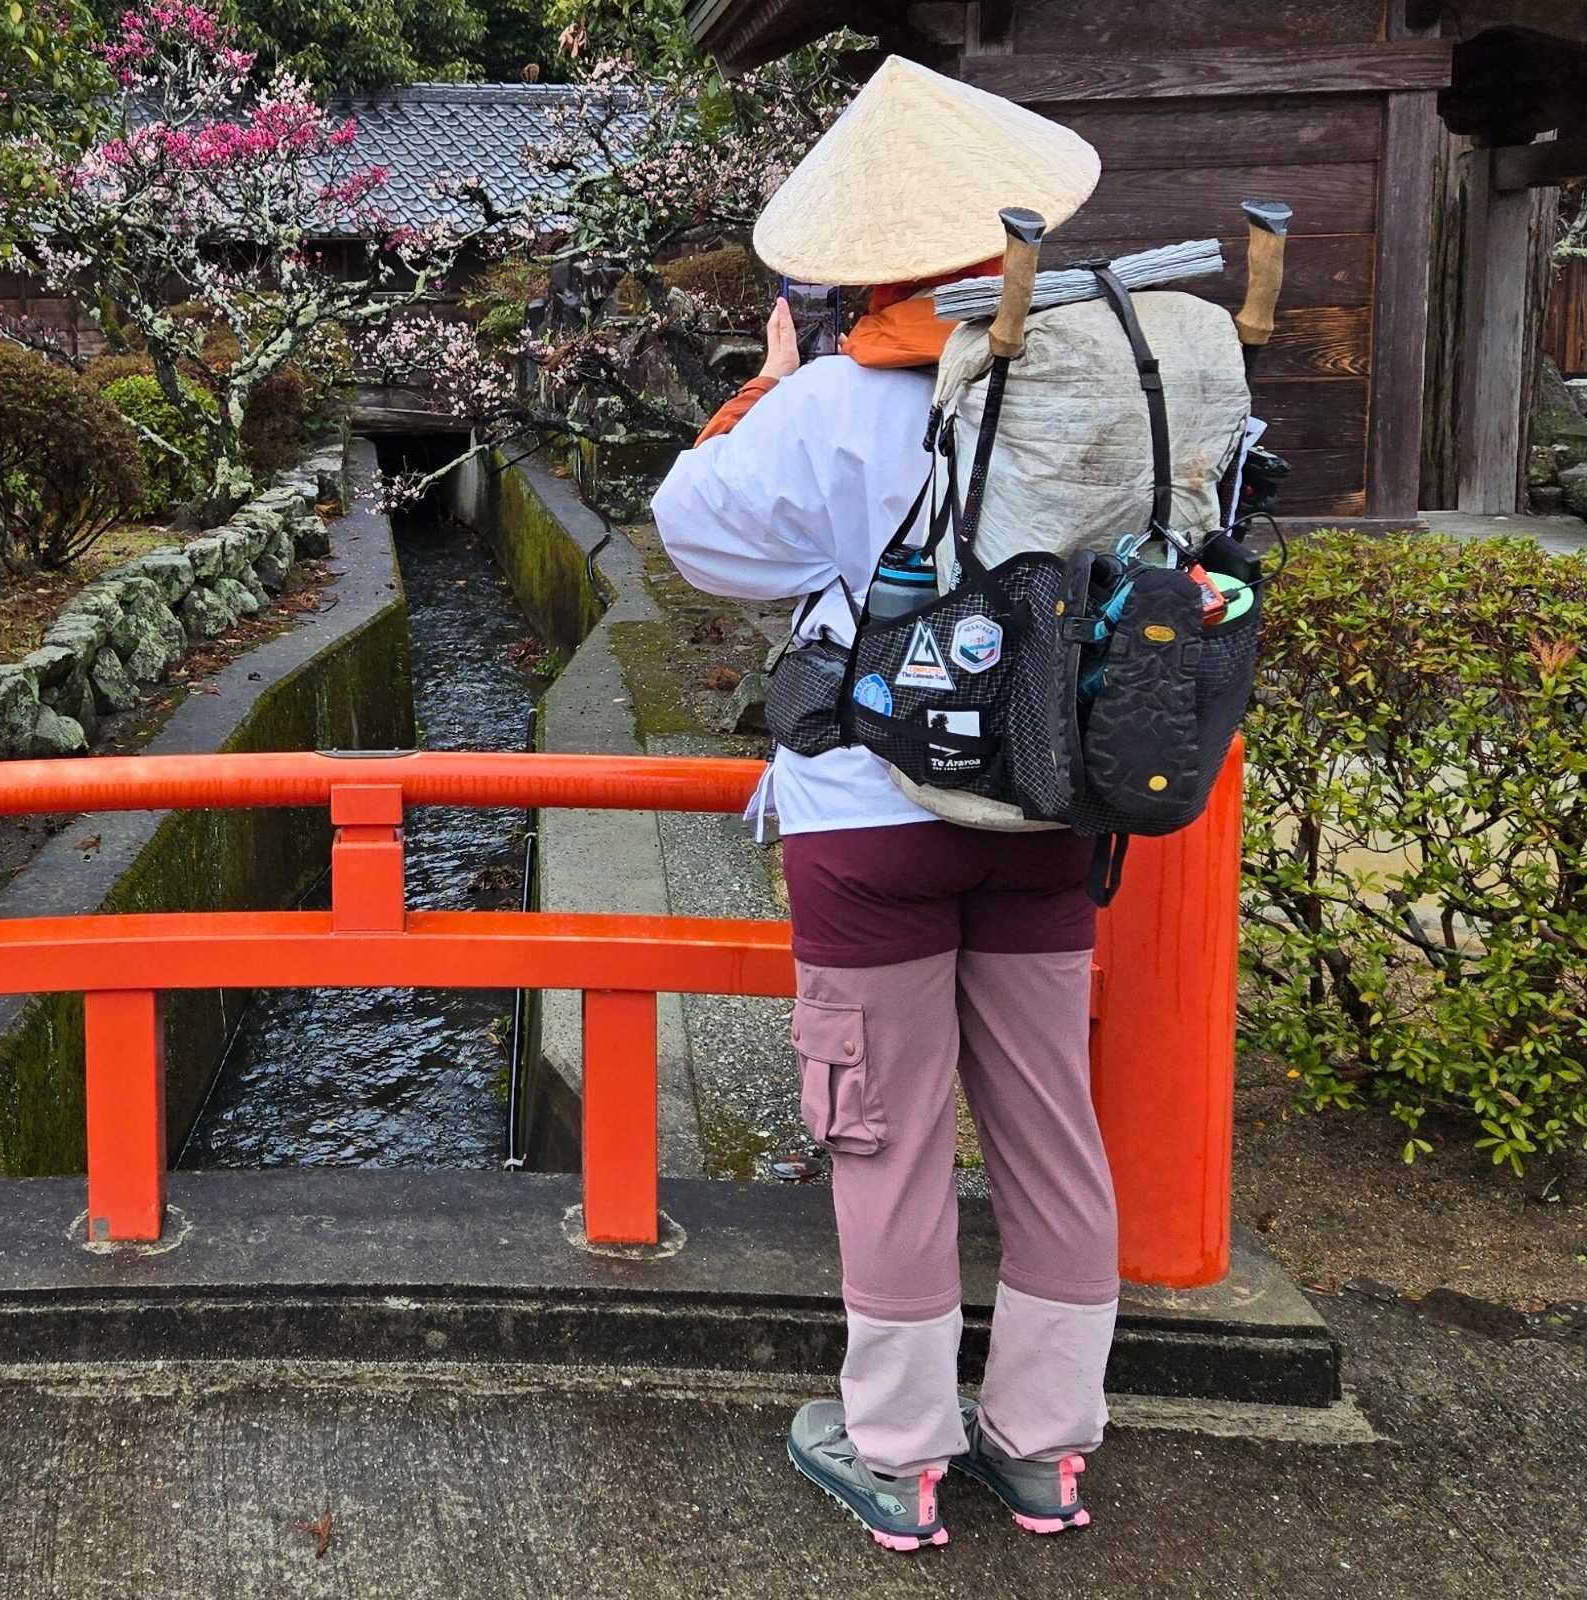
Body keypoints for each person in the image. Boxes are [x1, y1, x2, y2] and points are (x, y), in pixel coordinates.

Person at [651, 57, 1116, 1552]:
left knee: (889, 1140)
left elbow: (694, 536)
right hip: (1044, 812)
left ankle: (903, 1451)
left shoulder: (836, 401)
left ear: (862, 263)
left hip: (867, 820)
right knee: (1053, 1134)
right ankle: (1045, 1447)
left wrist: (771, 388)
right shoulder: (1097, 382)